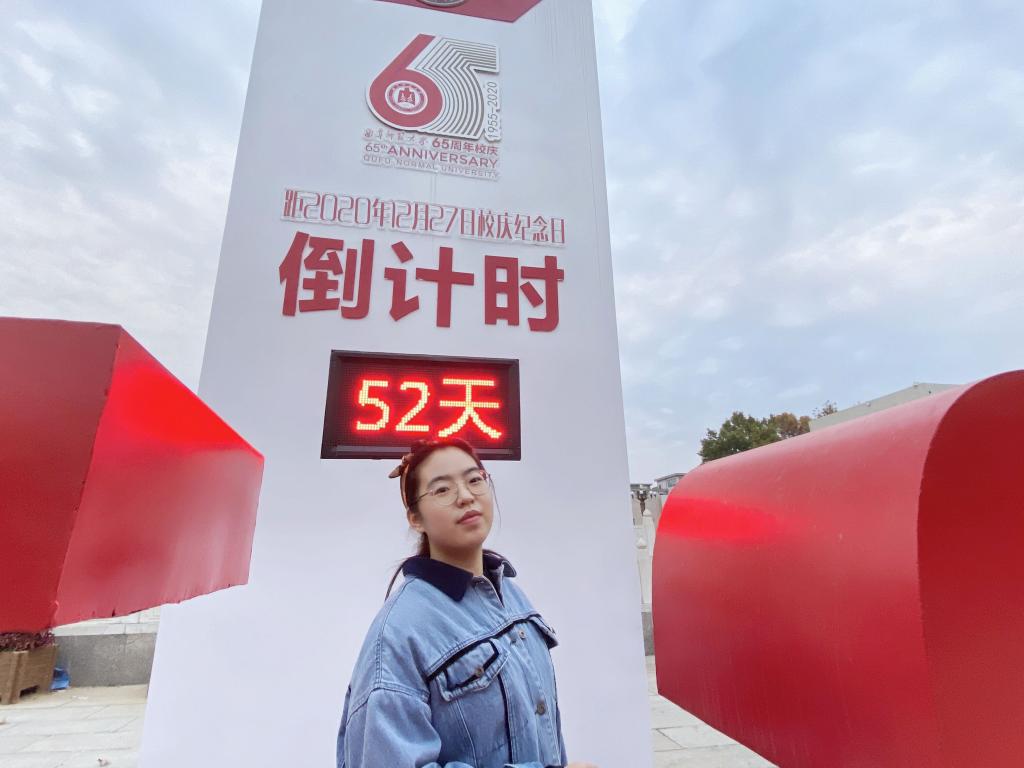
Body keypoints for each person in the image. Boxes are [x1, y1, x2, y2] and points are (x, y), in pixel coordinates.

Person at [336, 437, 597, 768]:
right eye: (442, 490)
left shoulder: (511, 594)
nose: (465, 496)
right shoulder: (398, 634)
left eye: (474, 480)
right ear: (415, 518)